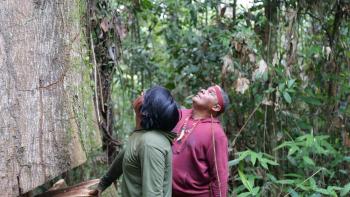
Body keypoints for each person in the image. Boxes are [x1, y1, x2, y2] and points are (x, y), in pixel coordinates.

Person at [89, 85, 179, 197]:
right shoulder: (142, 135)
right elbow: (127, 154)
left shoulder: (151, 143)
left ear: (145, 111)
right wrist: (103, 184)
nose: (143, 92)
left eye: (146, 94)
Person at [172, 85, 229, 197]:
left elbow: (220, 177)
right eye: (206, 89)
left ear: (216, 107)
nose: (203, 90)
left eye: (211, 93)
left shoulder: (216, 133)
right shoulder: (180, 114)